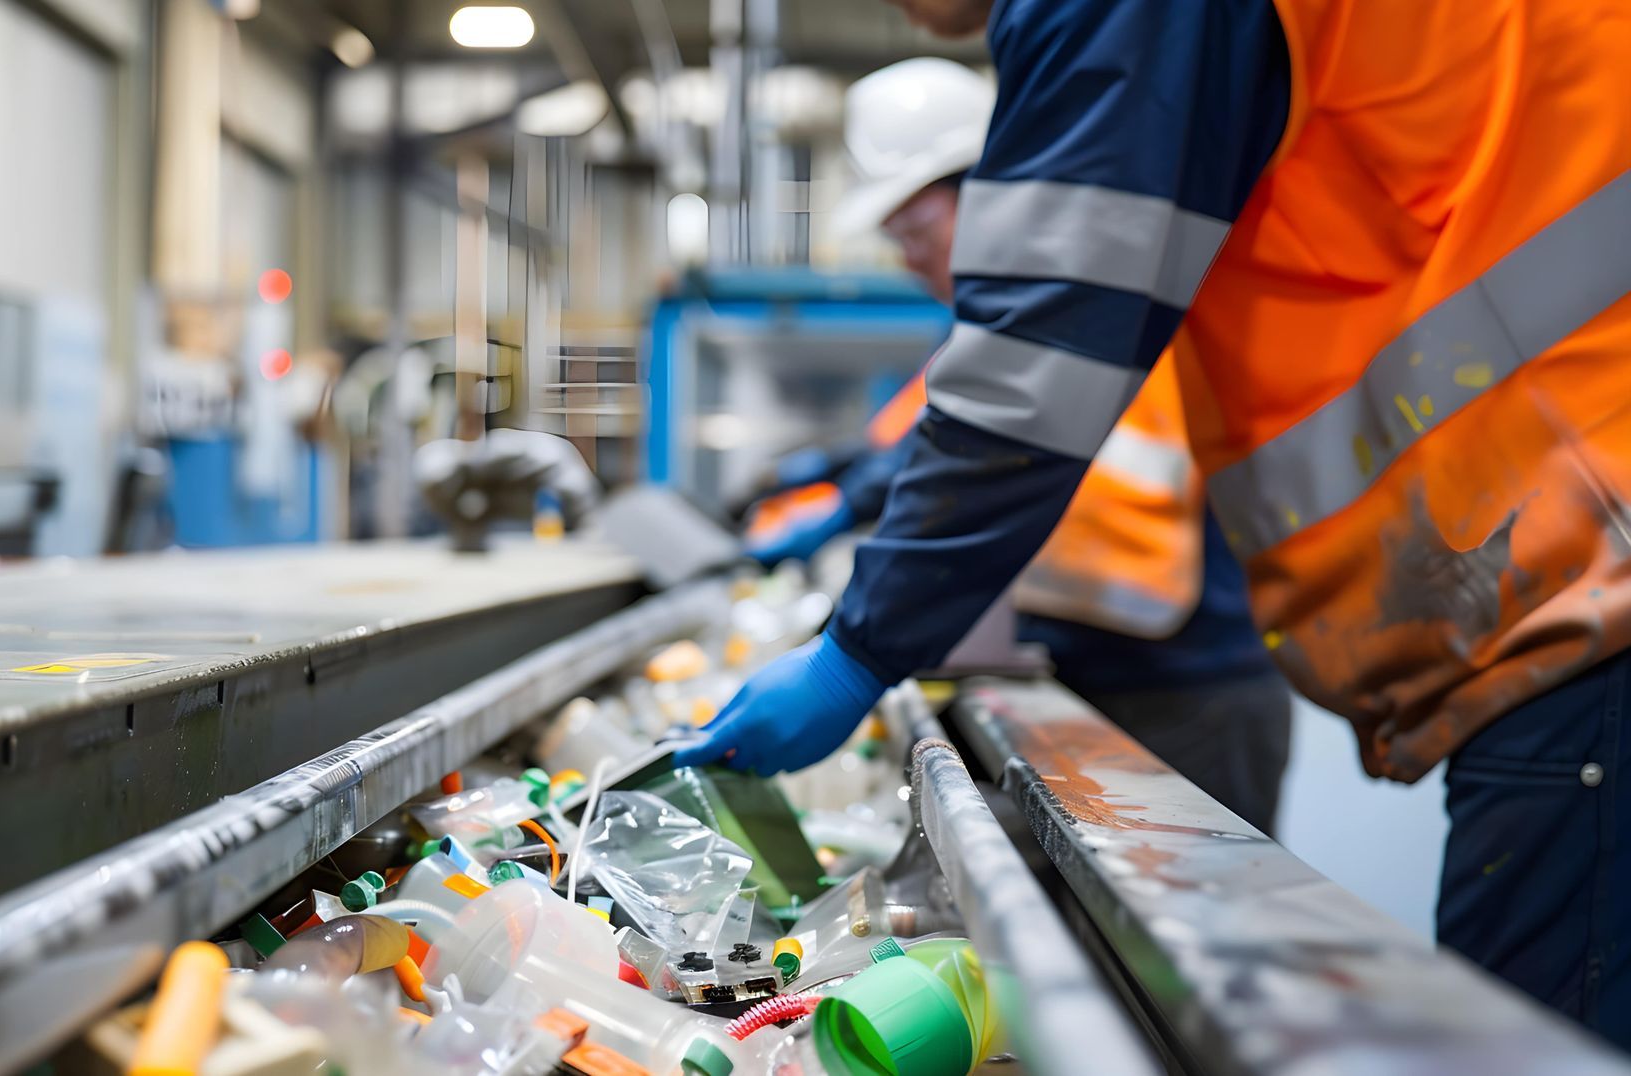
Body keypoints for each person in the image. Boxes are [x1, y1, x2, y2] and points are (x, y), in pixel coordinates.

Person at [679, 0, 1631, 1046]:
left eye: (916, 225)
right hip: (1564, 568)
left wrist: (858, 649)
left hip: (1579, 573)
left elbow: (1033, 368)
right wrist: (854, 515)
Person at [743, 58, 1294, 833]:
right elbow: (934, 433)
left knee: (1195, 946)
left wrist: (855, 649)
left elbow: (1003, 441)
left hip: (1194, 689)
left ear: (992, 189)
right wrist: (842, 487)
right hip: (1086, 675)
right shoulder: (997, 328)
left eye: (919, 230)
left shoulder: (1109, 297)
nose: (910, 260)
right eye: (895, 239)